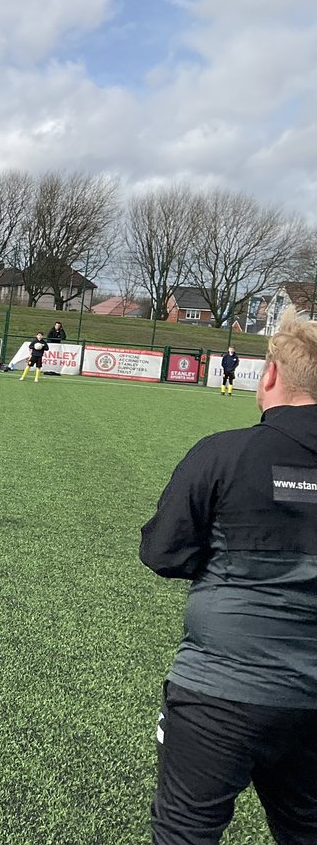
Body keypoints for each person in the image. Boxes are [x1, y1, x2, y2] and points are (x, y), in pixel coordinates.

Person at [140, 306, 317, 845]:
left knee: (184, 834)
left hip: (220, 690)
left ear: (268, 376)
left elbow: (164, 553)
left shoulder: (223, 453)